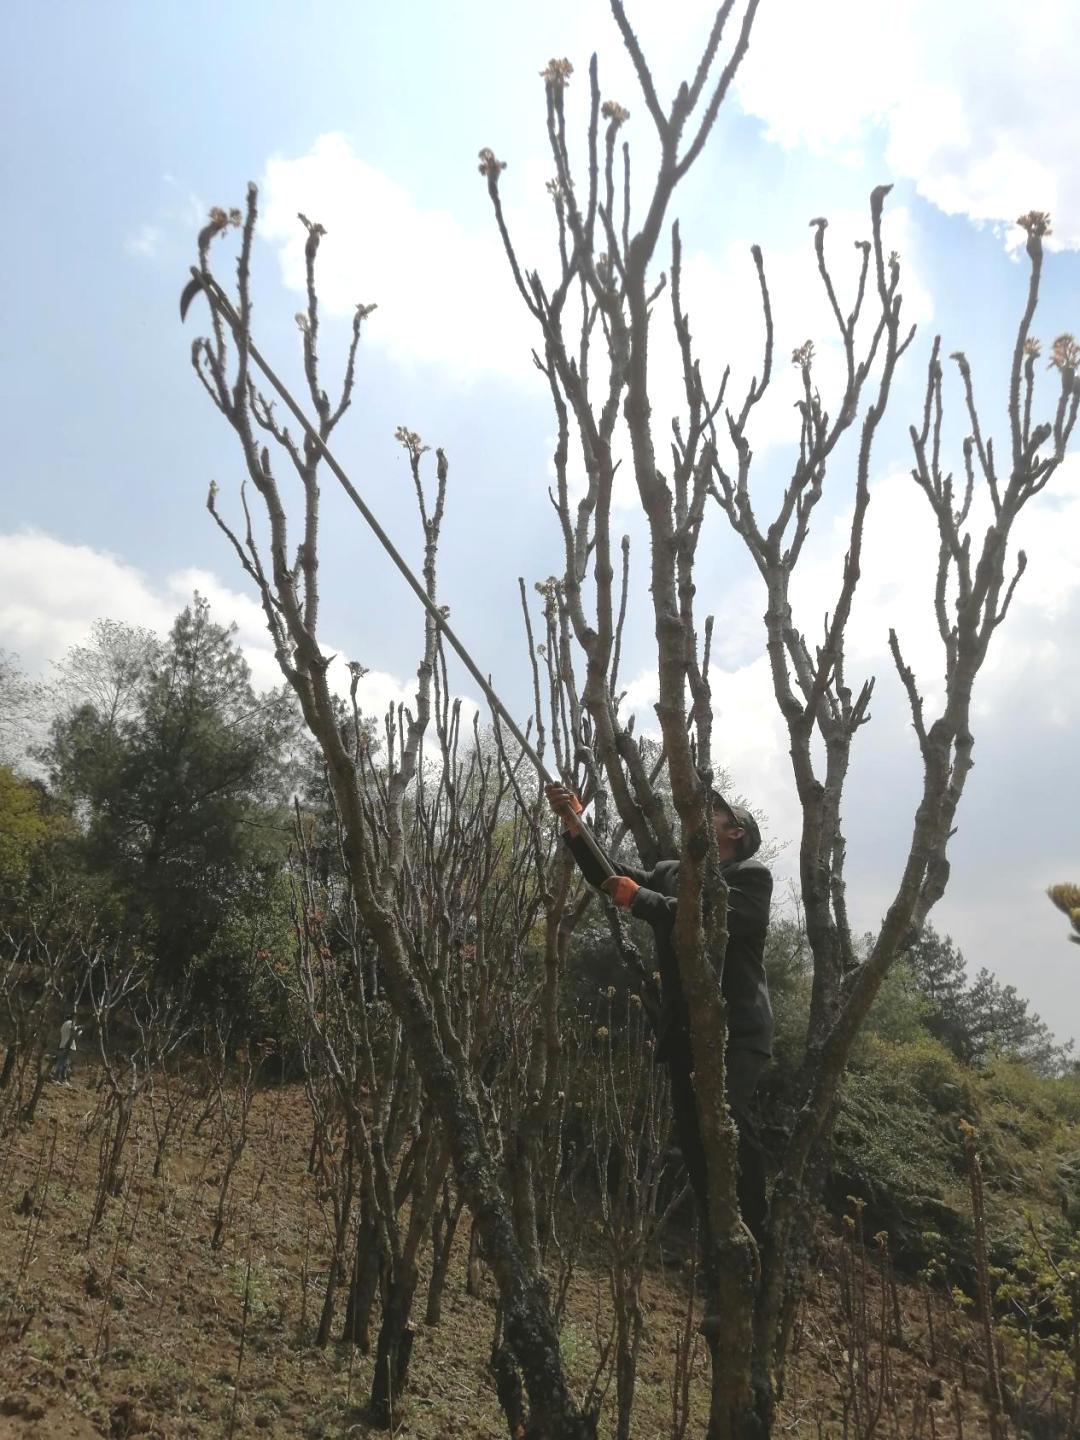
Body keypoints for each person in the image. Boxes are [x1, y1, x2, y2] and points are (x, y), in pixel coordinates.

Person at [546, 782, 773, 1246]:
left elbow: (712, 917)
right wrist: (575, 826)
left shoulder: (751, 877)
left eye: (714, 810)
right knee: (695, 1147)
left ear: (735, 831)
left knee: (727, 1128)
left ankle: (758, 1243)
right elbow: (610, 874)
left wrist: (640, 899)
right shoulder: (673, 872)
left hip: (739, 1029)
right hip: (685, 1032)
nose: (701, 811)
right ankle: (721, 1265)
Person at [52, 1012, 81, 1084]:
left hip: (62, 1044)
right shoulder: (71, 1024)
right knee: (64, 1063)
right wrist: (80, 1030)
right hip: (68, 1045)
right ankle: (59, 1079)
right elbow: (75, 1033)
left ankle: (60, 1078)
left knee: (63, 1063)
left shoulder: (63, 1025)